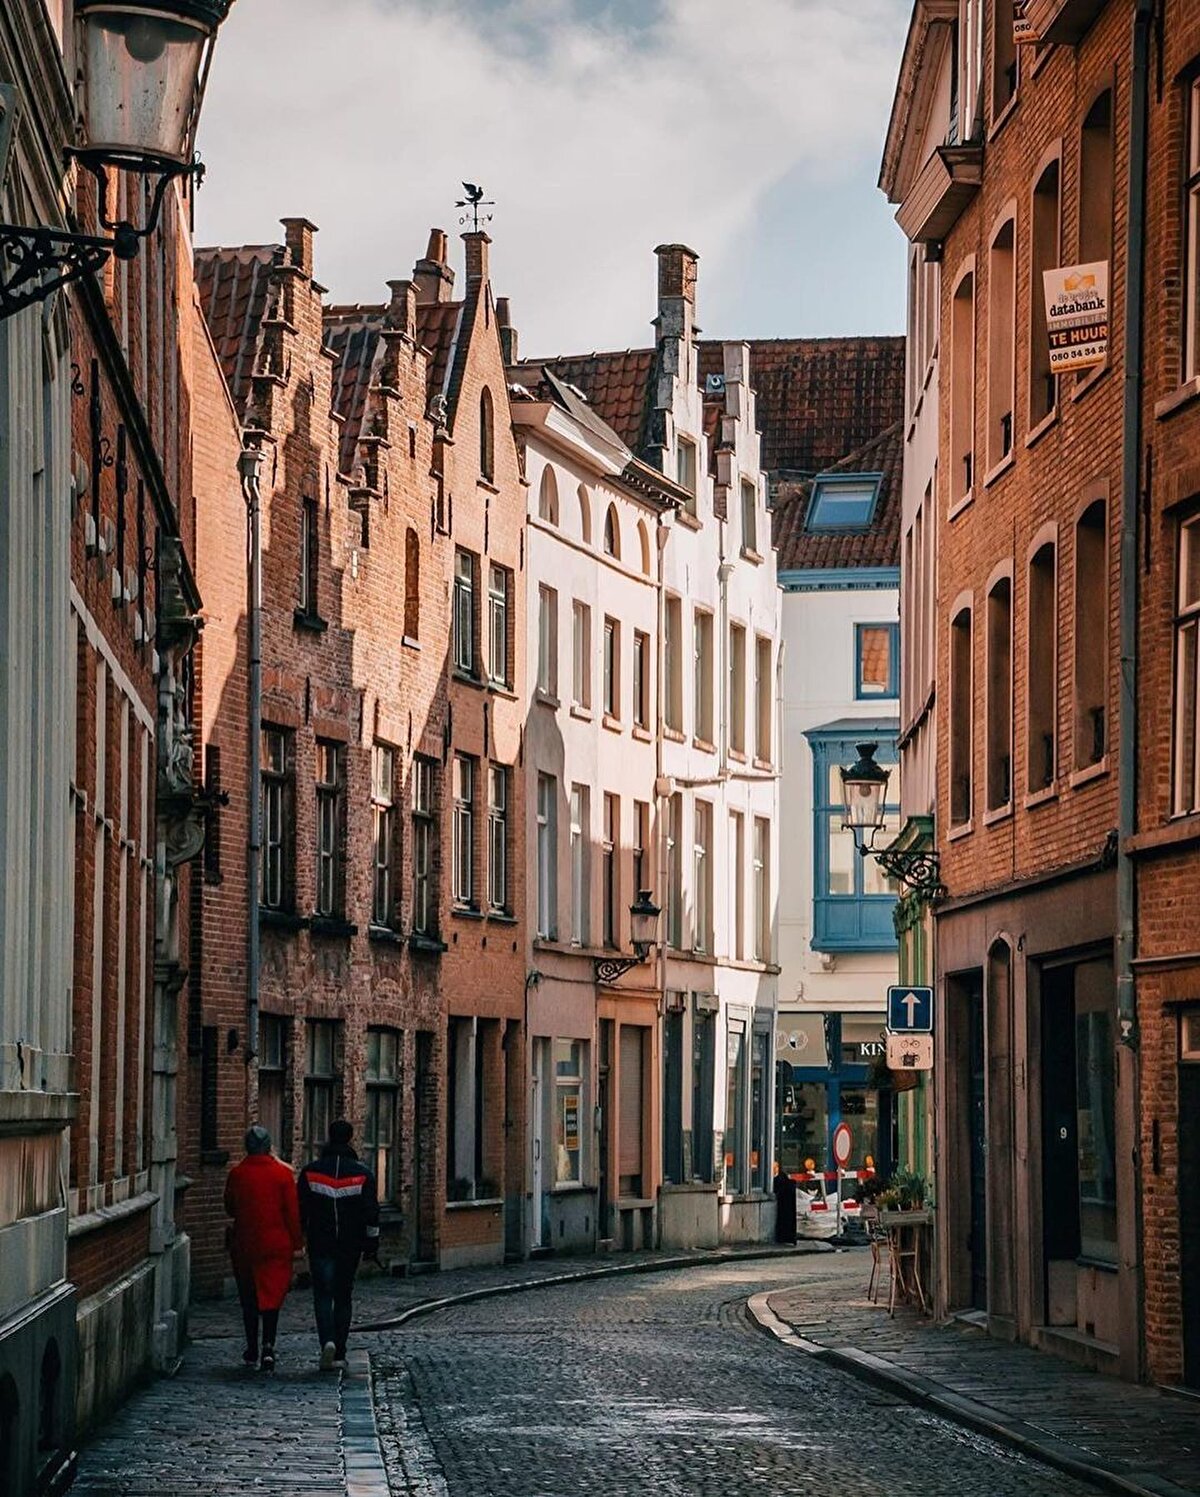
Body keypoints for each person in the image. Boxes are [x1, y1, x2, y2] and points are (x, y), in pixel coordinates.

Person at [298, 1119, 380, 1371]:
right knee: (343, 1295)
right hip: (349, 1245)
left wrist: (300, 1238)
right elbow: (371, 1213)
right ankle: (340, 1352)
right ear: (350, 1139)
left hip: (320, 1243)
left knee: (322, 1294)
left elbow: (300, 1211)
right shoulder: (362, 1173)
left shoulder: (311, 1172)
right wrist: (372, 1244)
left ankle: (327, 1342)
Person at [223, 1125, 302, 1372]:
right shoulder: (282, 1175)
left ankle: (251, 1347)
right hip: (276, 1245)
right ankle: (268, 1345)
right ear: (269, 1146)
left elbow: (230, 1207)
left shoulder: (237, 1174)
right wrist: (298, 1243)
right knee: (271, 1297)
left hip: (247, 1243)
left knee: (248, 1298)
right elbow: (292, 1213)